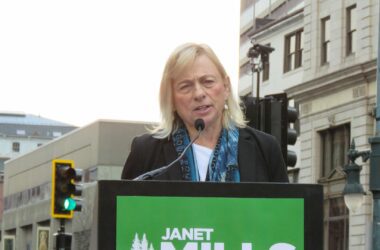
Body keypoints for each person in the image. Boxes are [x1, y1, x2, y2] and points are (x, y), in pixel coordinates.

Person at [121, 43, 288, 182]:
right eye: (185, 86)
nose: (199, 94)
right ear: (171, 98)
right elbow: (123, 214)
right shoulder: (146, 152)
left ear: (226, 87)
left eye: (207, 82)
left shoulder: (265, 149)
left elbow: (284, 216)